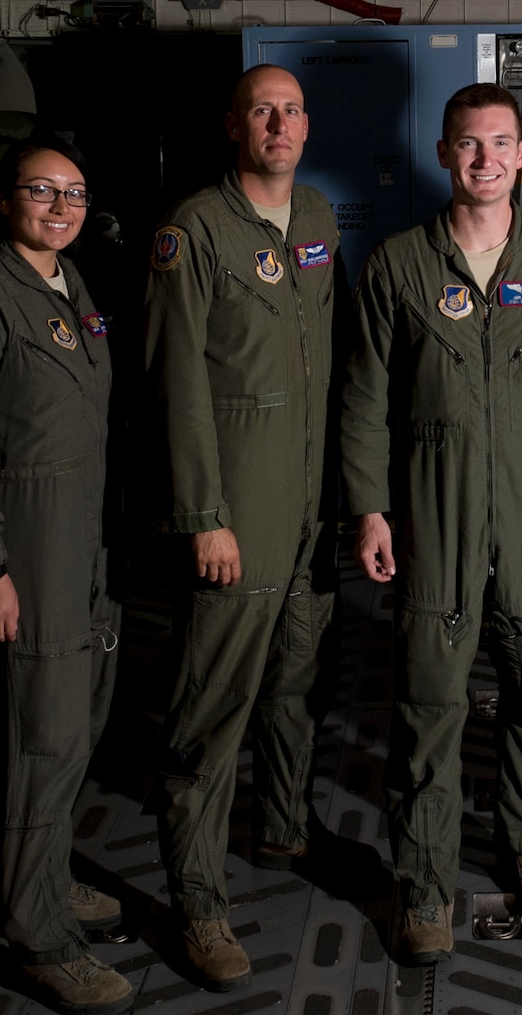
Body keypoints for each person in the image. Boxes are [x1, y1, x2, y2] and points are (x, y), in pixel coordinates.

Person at [339, 83, 522, 965]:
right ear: (443, 153)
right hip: (434, 514)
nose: (486, 158)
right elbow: (365, 397)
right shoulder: (397, 266)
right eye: (469, 143)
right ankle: (423, 887)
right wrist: (370, 506)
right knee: (428, 705)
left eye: (501, 142)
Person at [143, 65, 343, 991]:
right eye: (263, 109)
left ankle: (287, 827)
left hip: (308, 510)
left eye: (292, 109)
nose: (279, 123)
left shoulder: (317, 222)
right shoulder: (194, 230)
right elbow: (175, 381)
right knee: (211, 711)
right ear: (234, 125)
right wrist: (204, 516)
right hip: (239, 511)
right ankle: (200, 904)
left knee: (295, 680)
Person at [0, 140, 130, 1015]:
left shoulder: (69, 286)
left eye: (74, 193)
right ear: (5, 197)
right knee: (38, 736)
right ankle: (40, 932)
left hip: (83, 537)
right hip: (28, 544)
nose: (60, 207)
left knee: (78, 721)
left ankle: (42, 874)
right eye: (42, 192)